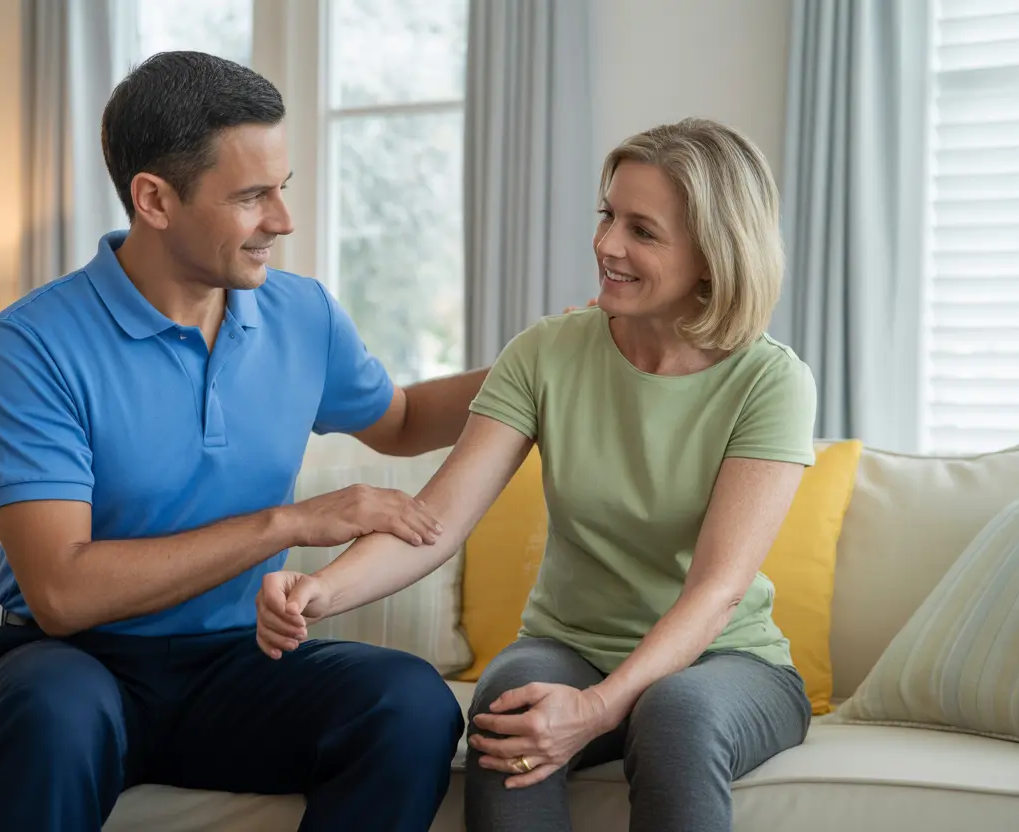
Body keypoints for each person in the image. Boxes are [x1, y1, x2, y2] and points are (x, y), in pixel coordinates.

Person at [0, 51, 492, 832]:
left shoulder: (302, 314)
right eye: (251, 197)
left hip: (239, 669)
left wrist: (548, 362)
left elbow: (405, 419)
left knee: (409, 702)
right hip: (74, 666)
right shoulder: (31, 346)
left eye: (282, 189)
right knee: (54, 712)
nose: (281, 219)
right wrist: (288, 523)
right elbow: (64, 593)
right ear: (154, 199)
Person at [257, 117, 818, 832]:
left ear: (713, 255)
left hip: (727, 659)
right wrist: (320, 590)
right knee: (506, 713)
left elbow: (716, 591)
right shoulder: (547, 353)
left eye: (642, 231)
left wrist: (600, 707)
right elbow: (436, 523)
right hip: (571, 644)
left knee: (675, 714)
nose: (607, 245)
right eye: (608, 215)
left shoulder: (770, 381)